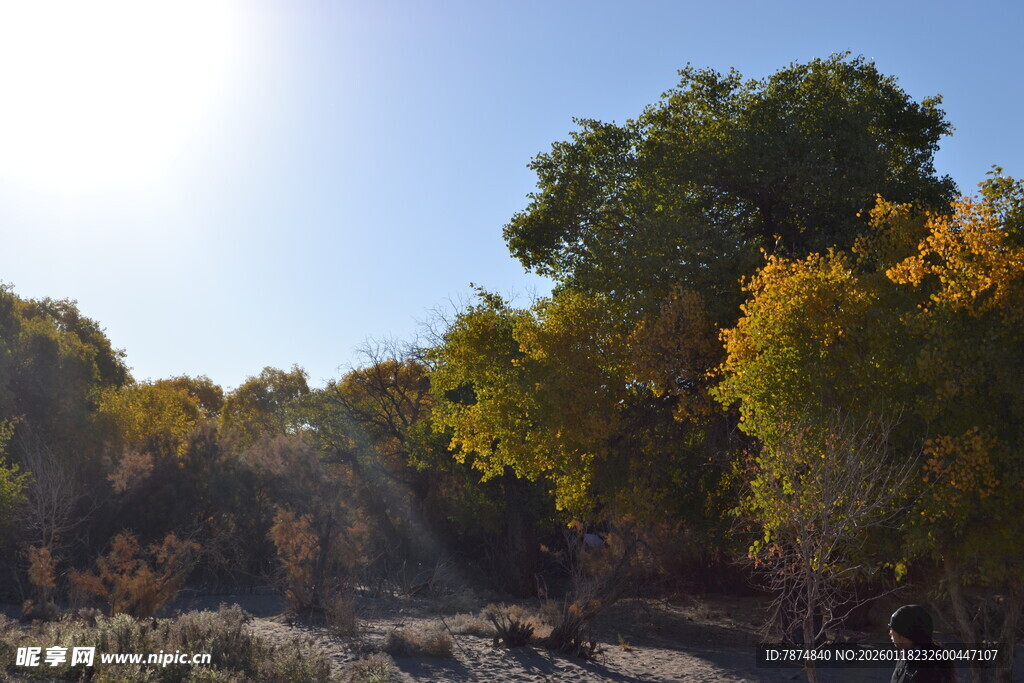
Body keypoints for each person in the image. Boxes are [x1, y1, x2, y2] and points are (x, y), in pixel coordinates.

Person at [889, 604, 957, 682]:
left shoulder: (931, 667)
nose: (890, 632)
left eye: (892, 627)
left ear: (903, 634)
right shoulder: (905, 656)